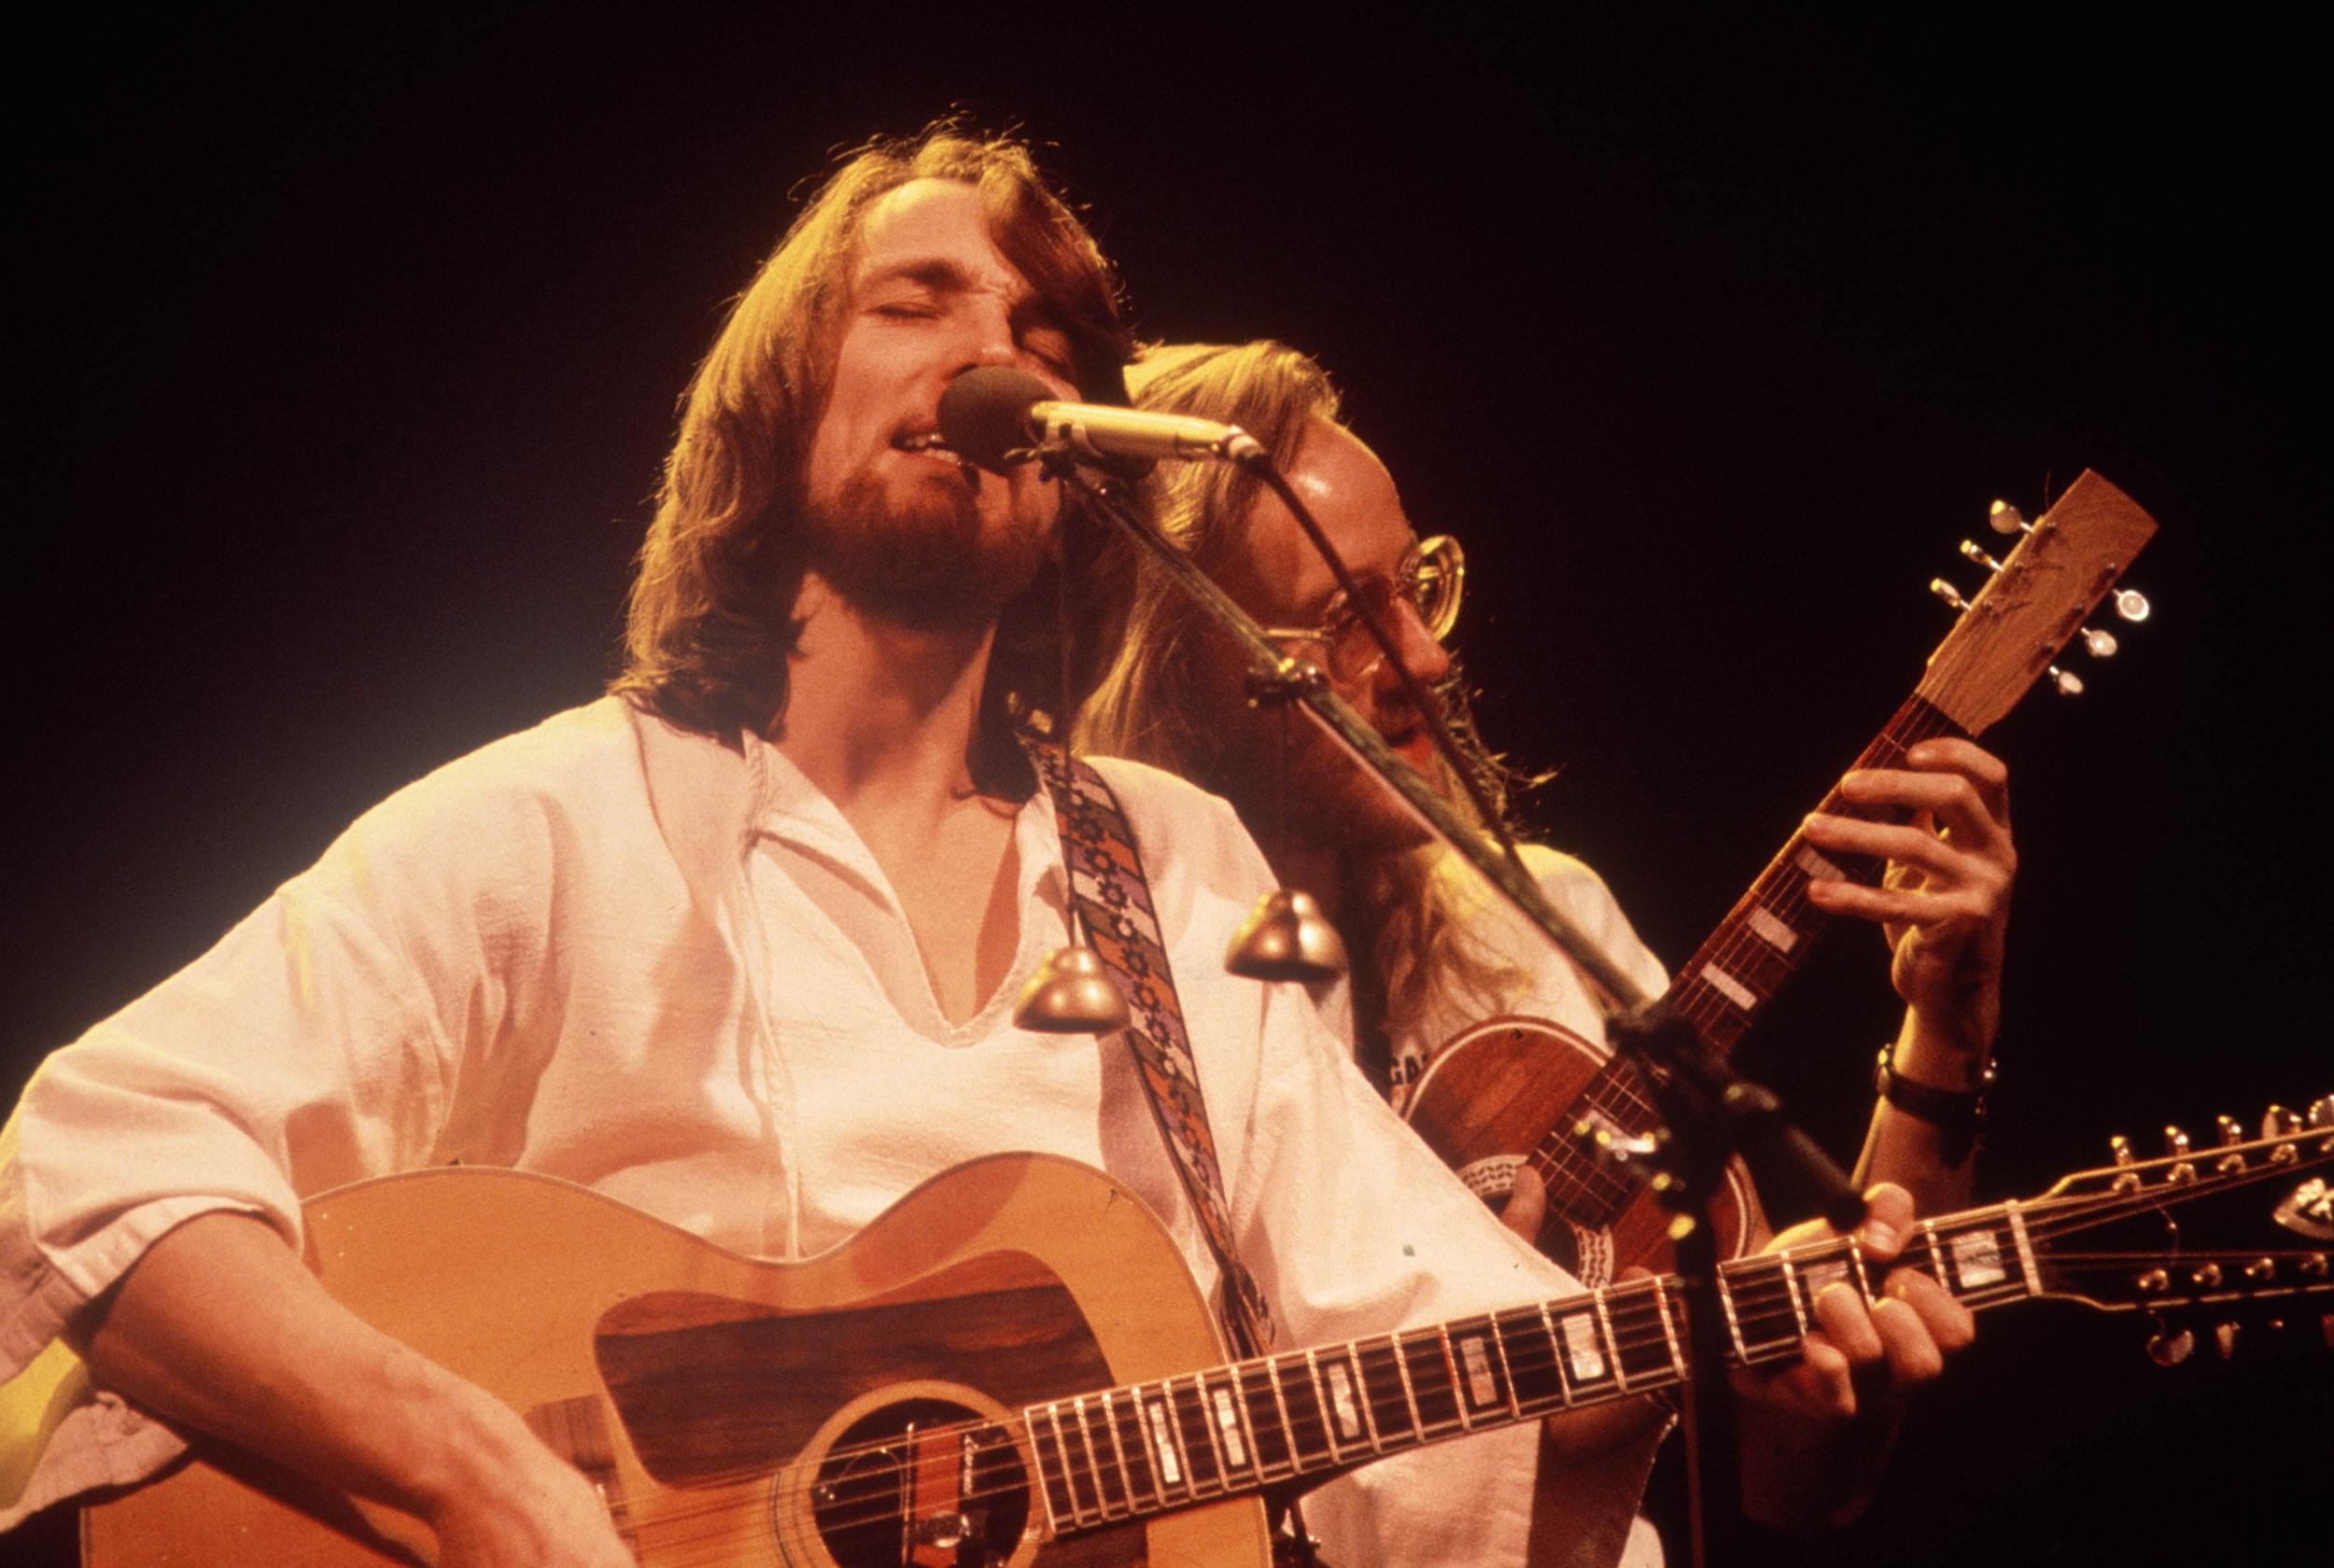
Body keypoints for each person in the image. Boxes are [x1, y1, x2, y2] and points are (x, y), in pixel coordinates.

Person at [0, 134, 1968, 1568]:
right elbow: (90, 1151)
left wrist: (1711, 1355)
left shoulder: (1185, 872)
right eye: (916, 296)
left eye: (1037, 321)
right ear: (776, 403)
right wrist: (471, 1477)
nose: (989, 341)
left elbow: (1409, 1326)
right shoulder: (552, 824)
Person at [1078, 339, 2015, 1544]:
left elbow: (1804, 1488)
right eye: (1345, 625)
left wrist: (1949, 1025)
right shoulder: (1105, 992)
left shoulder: (1541, 932)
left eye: (1418, 588)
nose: (1422, 658)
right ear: (1177, 667)